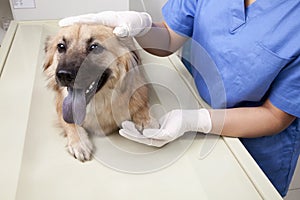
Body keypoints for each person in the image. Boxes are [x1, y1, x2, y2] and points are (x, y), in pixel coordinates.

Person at [59, 0, 300, 197]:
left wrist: (197, 121)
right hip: (191, 95)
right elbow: (168, 38)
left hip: (255, 144)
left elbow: (276, 115)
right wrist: (143, 27)